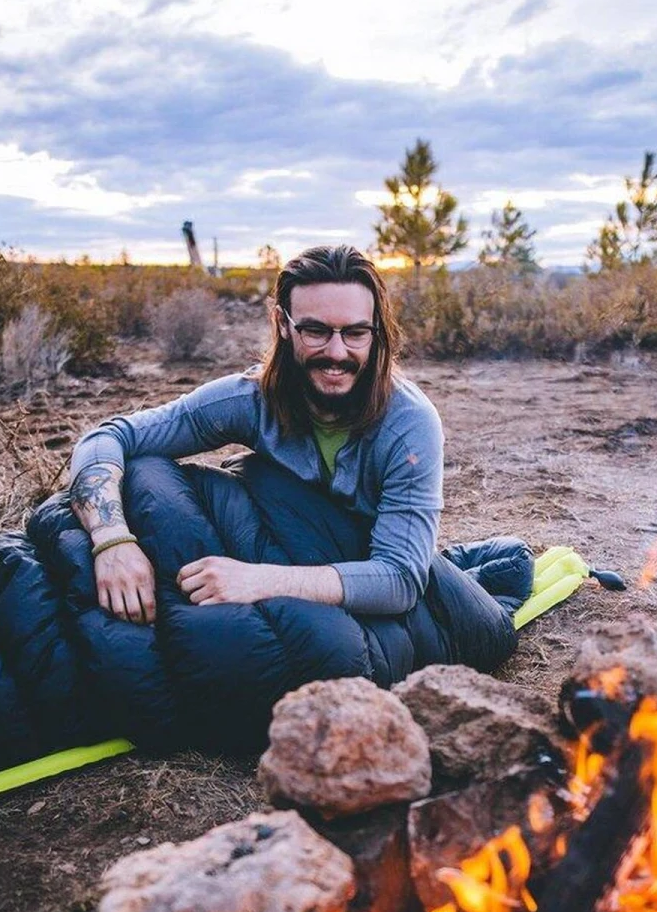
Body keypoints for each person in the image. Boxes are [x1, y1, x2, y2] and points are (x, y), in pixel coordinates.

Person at [68, 243, 444, 625]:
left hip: (361, 580)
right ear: (282, 323)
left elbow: (401, 578)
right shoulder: (250, 400)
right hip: (287, 541)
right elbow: (108, 438)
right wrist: (111, 541)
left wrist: (258, 580)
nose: (336, 351)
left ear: (375, 331)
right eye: (315, 331)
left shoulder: (409, 425)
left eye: (356, 332)